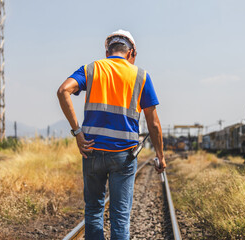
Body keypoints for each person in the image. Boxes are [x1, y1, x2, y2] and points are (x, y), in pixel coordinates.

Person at [57, 29, 166, 240]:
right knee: (120, 217)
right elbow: (153, 123)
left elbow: (63, 91)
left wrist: (77, 132)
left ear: (107, 51)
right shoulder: (141, 76)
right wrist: (160, 156)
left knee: (93, 212)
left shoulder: (92, 69)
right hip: (123, 156)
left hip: (92, 151)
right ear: (131, 52)